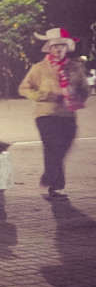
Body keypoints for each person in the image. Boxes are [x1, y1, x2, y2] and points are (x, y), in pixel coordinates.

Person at [18, 28, 89, 201]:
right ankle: (57, 187)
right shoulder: (39, 68)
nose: (59, 49)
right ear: (49, 47)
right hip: (46, 114)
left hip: (68, 115)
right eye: (55, 46)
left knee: (63, 147)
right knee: (52, 148)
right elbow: (24, 88)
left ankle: (49, 174)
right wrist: (44, 96)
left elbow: (84, 89)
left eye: (62, 46)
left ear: (67, 48)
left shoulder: (76, 67)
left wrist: (76, 97)